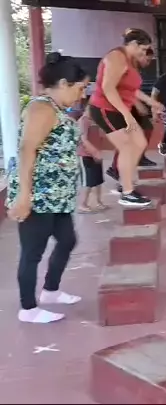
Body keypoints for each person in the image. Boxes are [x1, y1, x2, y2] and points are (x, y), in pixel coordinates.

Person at [5, 52, 89, 323]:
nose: (82, 95)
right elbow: (26, 150)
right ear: (63, 83)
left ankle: (51, 291)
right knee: (33, 251)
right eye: (80, 88)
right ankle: (28, 309)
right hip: (39, 195)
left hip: (57, 196)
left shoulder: (57, 109)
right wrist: (24, 195)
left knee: (67, 240)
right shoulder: (41, 108)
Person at [88, 28, 163, 207]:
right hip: (105, 109)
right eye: (143, 49)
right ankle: (127, 193)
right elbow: (108, 88)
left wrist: (152, 102)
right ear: (134, 44)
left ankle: (125, 182)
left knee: (140, 143)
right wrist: (127, 114)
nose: (144, 53)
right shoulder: (116, 57)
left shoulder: (130, 61)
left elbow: (132, 89)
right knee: (127, 147)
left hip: (120, 109)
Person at [106, 47, 158, 194]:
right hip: (122, 107)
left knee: (146, 130)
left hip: (129, 106)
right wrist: (138, 103)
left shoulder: (135, 68)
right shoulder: (124, 65)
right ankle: (118, 172)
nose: (148, 62)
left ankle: (138, 159)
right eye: (147, 59)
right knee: (127, 141)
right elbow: (121, 88)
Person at [77, 103, 108, 213]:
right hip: (86, 155)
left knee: (98, 180)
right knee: (88, 181)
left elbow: (102, 135)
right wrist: (94, 152)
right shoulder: (84, 121)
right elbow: (83, 139)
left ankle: (98, 202)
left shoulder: (95, 121)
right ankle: (83, 204)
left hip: (96, 154)